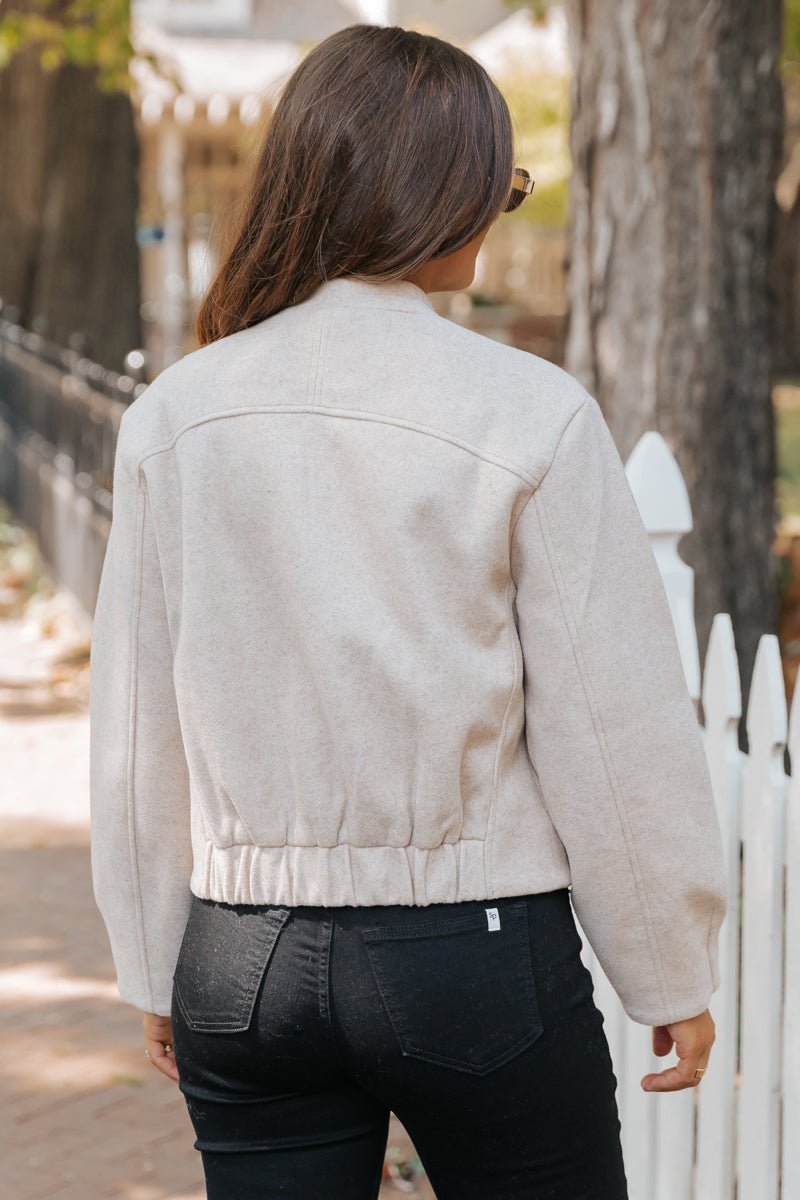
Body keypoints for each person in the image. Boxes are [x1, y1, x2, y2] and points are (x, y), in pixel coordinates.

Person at [89, 22, 728, 1200]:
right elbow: (608, 720)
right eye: (499, 190)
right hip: (473, 950)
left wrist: (150, 958)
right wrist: (666, 963)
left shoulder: (174, 418)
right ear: (440, 197)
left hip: (241, 959)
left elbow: (138, 729)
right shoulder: (526, 413)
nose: (496, 219)